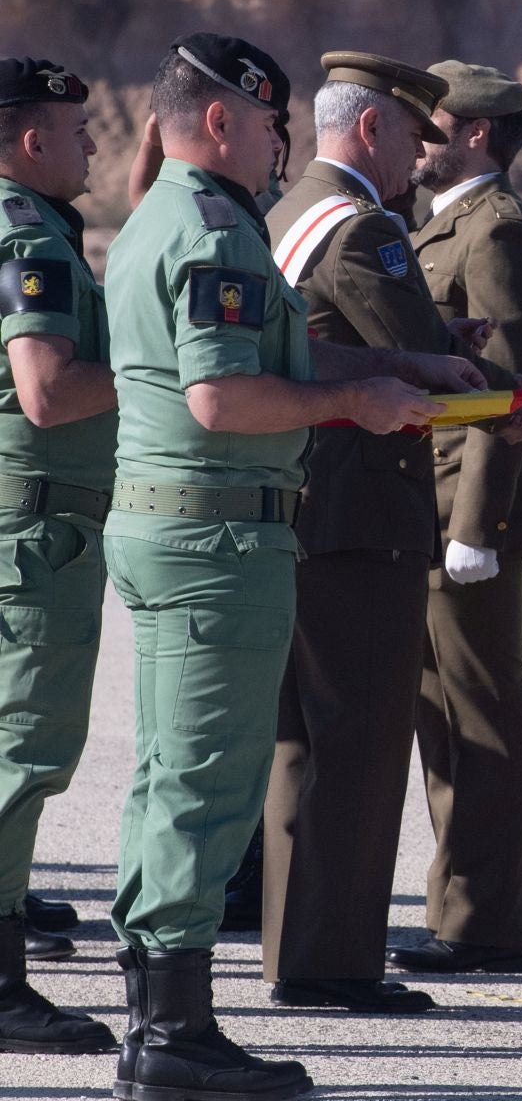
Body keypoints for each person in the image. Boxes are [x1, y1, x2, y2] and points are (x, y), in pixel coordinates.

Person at [106, 32, 474, 1101]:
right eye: (270, 122)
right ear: (223, 120)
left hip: (182, 527)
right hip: (217, 534)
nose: (281, 142)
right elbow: (227, 398)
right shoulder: (217, 232)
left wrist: (395, 359)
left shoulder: (163, 218)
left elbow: (277, 354)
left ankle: (158, 1014)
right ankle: (174, 1032)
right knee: (206, 783)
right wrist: (357, 403)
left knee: (172, 774)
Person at [260, 52, 522, 1016]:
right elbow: (414, 380)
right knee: (361, 743)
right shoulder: (366, 227)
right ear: (373, 130)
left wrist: (429, 356)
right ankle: (334, 964)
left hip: (299, 504)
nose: (423, 153)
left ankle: (295, 950)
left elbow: (356, 344)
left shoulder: (289, 211)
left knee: (301, 740)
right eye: (416, 133)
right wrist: (499, 400)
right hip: (362, 512)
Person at [387, 61, 522, 976]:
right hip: (426, 500)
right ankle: (456, 906)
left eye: (433, 125)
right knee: (437, 716)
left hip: (464, 511)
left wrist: (477, 528)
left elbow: (504, 389)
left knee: (482, 710)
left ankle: (485, 923)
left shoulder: (497, 231)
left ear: (479, 133)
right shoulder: (438, 223)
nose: (417, 141)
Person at [0, 58, 117, 1054]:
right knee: (20, 754)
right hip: (33, 529)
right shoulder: (24, 234)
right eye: (78, 133)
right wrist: (164, 373)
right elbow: (46, 389)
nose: (93, 148)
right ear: (32, 141)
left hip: (30, 519)